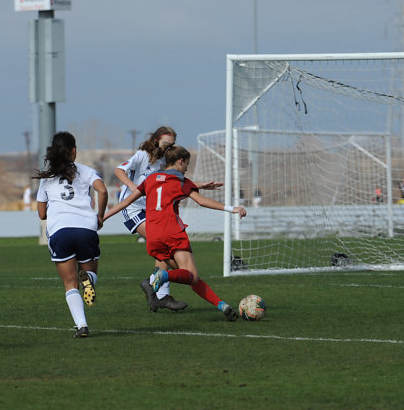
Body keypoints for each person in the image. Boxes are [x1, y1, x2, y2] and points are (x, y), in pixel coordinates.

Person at [104, 145, 246, 321]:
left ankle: (222, 306)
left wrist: (102, 218)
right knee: (191, 275)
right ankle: (158, 277)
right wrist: (233, 209)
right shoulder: (181, 181)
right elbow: (202, 201)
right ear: (180, 161)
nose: (186, 168)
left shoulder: (151, 179)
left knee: (189, 276)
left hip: (153, 236)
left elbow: (125, 202)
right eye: (187, 164)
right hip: (172, 232)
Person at [113, 126, 222, 312]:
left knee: (163, 248)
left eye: (172, 145)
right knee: (166, 250)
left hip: (152, 208)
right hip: (133, 208)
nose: (168, 147)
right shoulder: (142, 155)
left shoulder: (164, 161)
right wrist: (133, 188)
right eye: (166, 144)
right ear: (156, 140)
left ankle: (158, 291)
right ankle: (162, 291)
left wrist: (199, 185)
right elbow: (118, 171)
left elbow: (172, 182)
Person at [34, 131, 108, 338]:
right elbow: (102, 191)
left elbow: (41, 214)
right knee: (89, 274)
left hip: (61, 230)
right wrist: (100, 216)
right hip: (86, 228)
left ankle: (82, 326)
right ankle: (89, 280)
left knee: (70, 283)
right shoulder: (86, 171)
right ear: (74, 151)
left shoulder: (47, 178)